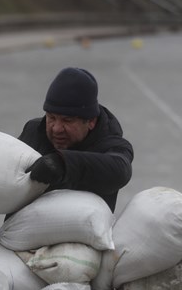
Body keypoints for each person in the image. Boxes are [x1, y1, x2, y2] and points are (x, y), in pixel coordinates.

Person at [19, 67, 134, 210]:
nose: (56, 128)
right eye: (51, 117)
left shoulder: (112, 146)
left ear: (91, 121)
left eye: (67, 120)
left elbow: (120, 171)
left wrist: (62, 164)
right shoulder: (34, 131)